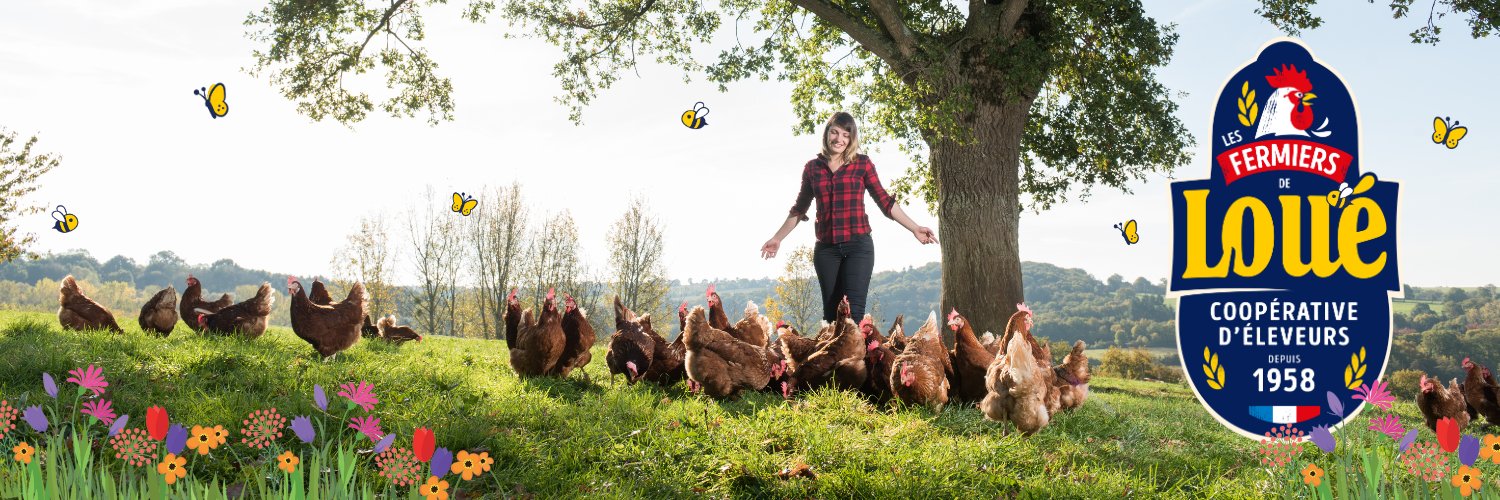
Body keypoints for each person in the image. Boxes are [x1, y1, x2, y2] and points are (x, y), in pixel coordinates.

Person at [760, 111, 938, 323]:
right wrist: (777, 238)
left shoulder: (862, 164)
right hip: (826, 250)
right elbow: (799, 209)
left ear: (852, 138)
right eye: (834, 133)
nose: (839, 139)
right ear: (827, 134)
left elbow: (884, 201)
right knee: (832, 316)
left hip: (858, 247)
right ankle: (836, 357)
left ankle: (856, 357)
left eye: (846, 134)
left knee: (853, 315)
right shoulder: (812, 168)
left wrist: (914, 228)